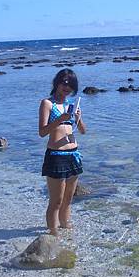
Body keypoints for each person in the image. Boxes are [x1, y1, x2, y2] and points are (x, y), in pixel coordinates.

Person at [39, 69, 86, 234]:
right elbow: (42, 132)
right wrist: (60, 119)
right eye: (64, 83)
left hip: (73, 155)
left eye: (71, 85)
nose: (67, 87)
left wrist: (78, 119)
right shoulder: (47, 103)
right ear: (57, 82)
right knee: (56, 201)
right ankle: (53, 232)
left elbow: (82, 131)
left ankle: (66, 227)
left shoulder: (70, 106)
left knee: (68, 199)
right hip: (56, 156)